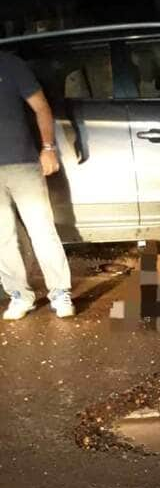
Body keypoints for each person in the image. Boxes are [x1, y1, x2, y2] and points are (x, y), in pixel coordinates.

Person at [0, 51, 75, 320]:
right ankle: (19, 296)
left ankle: (59, 292)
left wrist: (48, 148)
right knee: (2, 238)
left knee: (42, 230)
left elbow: (41, 106)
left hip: (23, 163)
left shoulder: (10, 64)